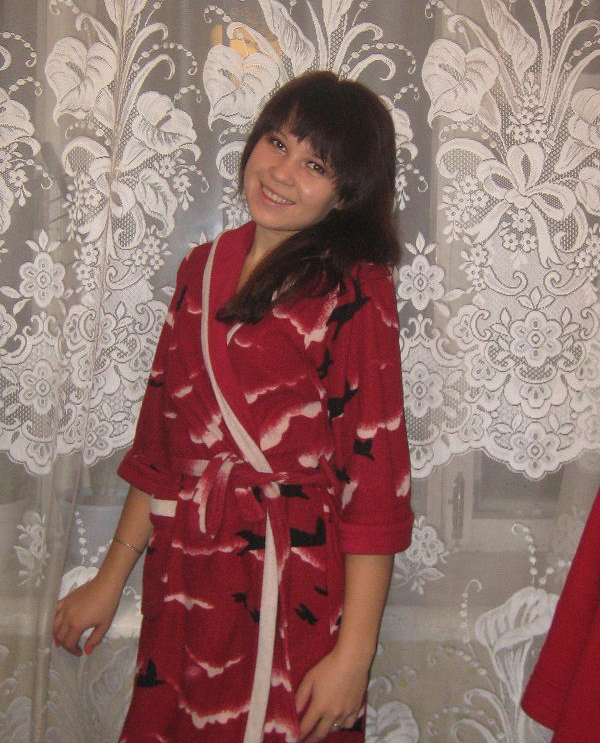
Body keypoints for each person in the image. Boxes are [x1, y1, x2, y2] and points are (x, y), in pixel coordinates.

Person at [53, 71, 414, 743]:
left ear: (347, 192)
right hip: (187, 574)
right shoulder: (201, 268)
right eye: (276, 142)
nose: (281, 172)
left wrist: (354, 656)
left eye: (315, 165)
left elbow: (374, 491)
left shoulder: (356, 291)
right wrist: (109, 580)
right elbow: (162, 448)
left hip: (293, 581)